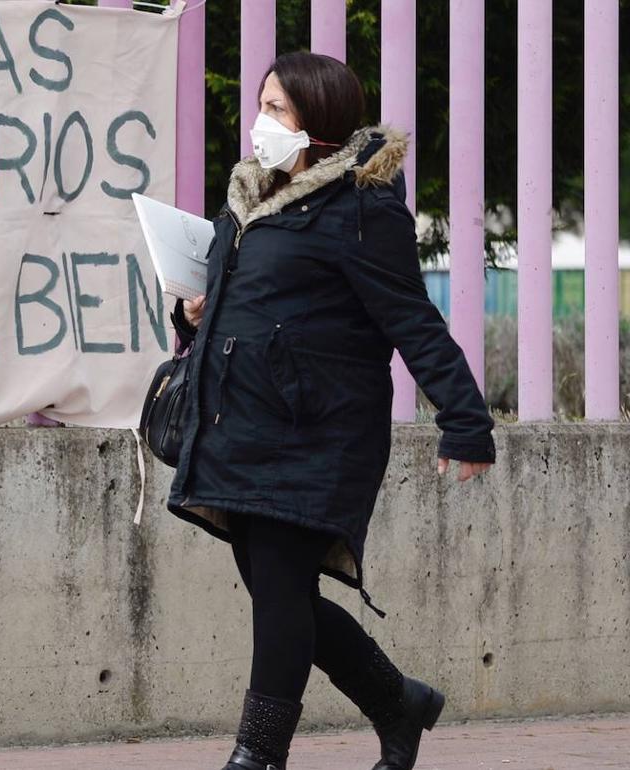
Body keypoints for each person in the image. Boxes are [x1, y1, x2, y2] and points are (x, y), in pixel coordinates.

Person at [168, 52, 496, 770]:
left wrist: (464, 422)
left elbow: (413, 320)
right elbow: (240, 312)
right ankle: (399, 703)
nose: (261, 122)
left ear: (317, 121)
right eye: (261, 105)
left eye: (277, 109)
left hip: (316, 432)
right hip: (242, 426)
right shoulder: (248, 200)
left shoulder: (359, 209)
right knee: (281, 595)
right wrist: (192, 314)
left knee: (281, 596)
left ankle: (257, 755)